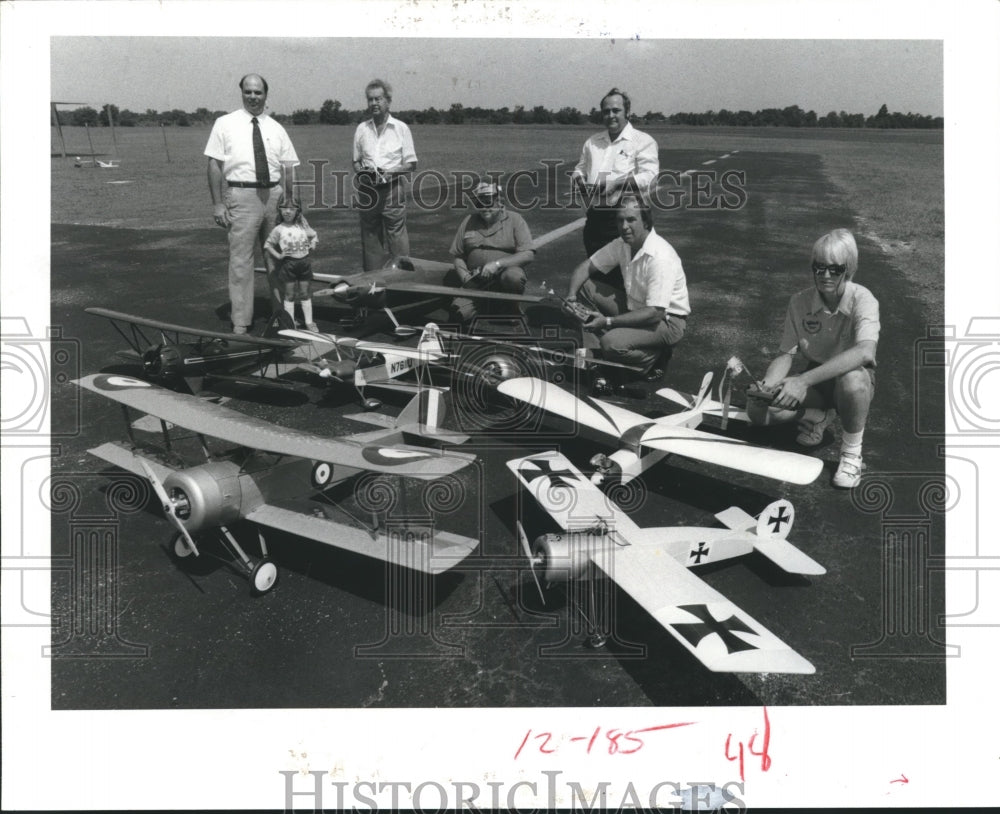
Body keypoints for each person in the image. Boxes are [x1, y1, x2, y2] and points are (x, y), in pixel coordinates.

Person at [746, 228, 879, 489]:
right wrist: (767, 386)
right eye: (819, 268)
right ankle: (817, 415)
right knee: (762, 412)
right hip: (817, 381)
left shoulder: (864, 299)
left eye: (834, 269)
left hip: (850, 381)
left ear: (848, 269)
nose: (825, 275)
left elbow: (865, 352)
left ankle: (851, 453)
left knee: (853, 380)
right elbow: (786, 354)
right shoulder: (799, 302)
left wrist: (802, 381)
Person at [205, 74, 299, 334]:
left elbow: (289, 166)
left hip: (274, 196)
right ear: (242, 93)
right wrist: (217, 204)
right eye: (248, 92)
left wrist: (289, 199)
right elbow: (214, 164)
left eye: (258, 92)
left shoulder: (276, 127)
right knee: (241, 261)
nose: (253, 97)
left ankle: (283, 317)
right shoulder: (225, 124)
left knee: (278, 259)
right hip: (241, 196)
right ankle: (241, 322)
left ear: (266, 95)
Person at [564, 194, 689, 386]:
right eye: (620, 220)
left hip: (666, 321)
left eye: (631, 219)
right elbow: (587, 267)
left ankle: (653, 359)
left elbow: (655, 313)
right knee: (586, 287)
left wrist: (608, 321)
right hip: (636, 308)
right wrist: (571, 297)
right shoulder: (622, 244)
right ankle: (595, 357)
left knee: (611, 343)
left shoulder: (660, 257)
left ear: (646, 221)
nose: (624, 226)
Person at [571, 88, 659, 257]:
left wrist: (617, 184)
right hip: (595, 219)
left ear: (627, 113)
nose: (610, 115)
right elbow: (579, 169)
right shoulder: (592, 142)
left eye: (616, 110)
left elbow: (651, 177)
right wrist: (582, 183)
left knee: (630, 277)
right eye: (606, 111)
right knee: (596, 274)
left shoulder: (643, 141)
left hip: (629, 219)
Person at [447, 180, 535, 325]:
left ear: (499, 202)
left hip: (502, 278)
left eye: (489, 203)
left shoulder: (515, 219)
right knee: (458, 314)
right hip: (476, 281)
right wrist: (464, 278)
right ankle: (488, 304)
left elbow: (528, 254)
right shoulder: (469, 220)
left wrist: (497, 264)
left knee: (513, 276)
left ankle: (511, 307)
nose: (484, 208)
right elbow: (458, 255)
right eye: (479, 204)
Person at [352, 79, 418, 271]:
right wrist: (363, 173)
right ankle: (374, 284)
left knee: (396, 236)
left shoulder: (401, 128)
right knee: (370, 236)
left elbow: (411, 164)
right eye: (370, 99)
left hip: (392, 189)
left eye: (378, 99)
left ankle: (403, 281)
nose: (374, 103)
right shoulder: (361, 129)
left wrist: (390, 173)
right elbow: (356, 161)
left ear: (388, 101)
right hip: (368, 191)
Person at [264, 197, 319, 331]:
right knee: (290, 295)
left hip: (304, 263)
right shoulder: (278, 229)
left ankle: (309, 322)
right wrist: (278, 255)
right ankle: (290, 324)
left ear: (298, 211)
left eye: (291, 209)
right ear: (279, 210)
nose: (287, 212)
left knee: (305, 293)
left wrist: (313, 244)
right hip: (288, 265)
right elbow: (268, 245)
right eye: (283, 208)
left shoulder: (303, 225)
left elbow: (314, 235)